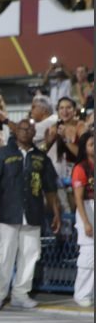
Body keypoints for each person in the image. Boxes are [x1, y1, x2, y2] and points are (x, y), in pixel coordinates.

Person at [0, 118, 61, 310]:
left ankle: (20, 294)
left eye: (29, 129)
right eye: (22, 129)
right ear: (15, 131)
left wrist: (56, 213)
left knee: (30, 255)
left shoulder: (41, 158)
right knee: (3, 255)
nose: (26, 132)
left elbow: (50, 189)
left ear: (34, 133)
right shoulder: (2, 154)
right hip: (8, 213)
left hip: (33, 214)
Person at [71, 131, 94, 307]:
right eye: (92, 144)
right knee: (88, 254)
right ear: (85, 148)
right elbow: (78, 198)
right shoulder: (81, 168)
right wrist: (86, 222)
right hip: (87, 208)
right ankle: (82, 293)